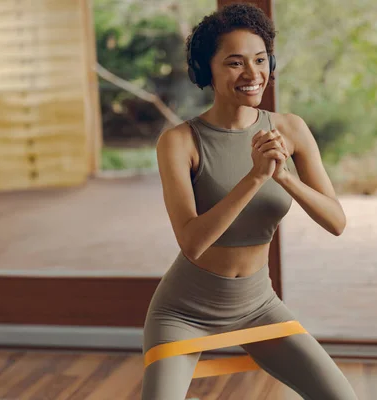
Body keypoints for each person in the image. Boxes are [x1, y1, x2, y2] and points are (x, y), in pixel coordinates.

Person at [141, 3, 358, 399]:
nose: (252, 74)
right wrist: (255, 175)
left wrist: (282, 176)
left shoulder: (290, 128)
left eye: (260, 60)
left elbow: (336, 221)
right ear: (208, 70)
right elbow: (192, 242)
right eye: (235, 62)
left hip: (258, 303)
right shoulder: (179, 142)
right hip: (184, 311)